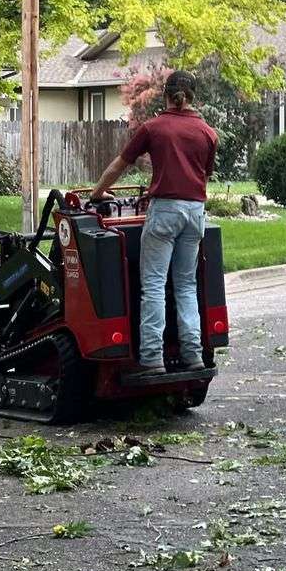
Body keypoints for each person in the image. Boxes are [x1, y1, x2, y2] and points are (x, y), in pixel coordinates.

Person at [89, 70, 218, 374]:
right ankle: (193, 355)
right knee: (186, 285)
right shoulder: (208, 133)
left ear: (166, 95)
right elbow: (203, 177)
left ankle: (151, 358)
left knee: (154, 286)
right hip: (195, 213)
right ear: (193, 97)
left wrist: (97, 192)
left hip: (165, 213)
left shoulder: (154, 128)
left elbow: (120, 165)